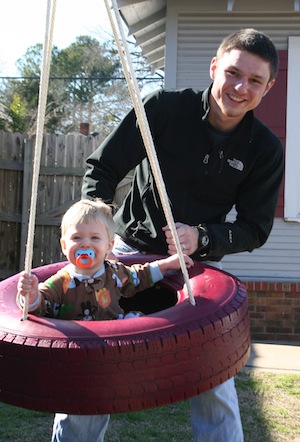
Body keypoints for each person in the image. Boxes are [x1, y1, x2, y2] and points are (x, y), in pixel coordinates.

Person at [81, 28, 284, 442]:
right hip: (125, 250)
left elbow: (255, 228)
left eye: (255, 81)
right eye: (233, 73)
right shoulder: (163, 109)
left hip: (196, 268)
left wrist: (203, 238)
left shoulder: (264, 149)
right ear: (214, 67)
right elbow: (101, 170)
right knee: (91, 358)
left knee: (215, 372)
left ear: (269, 87)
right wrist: (94, 229)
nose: (241, 88)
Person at [17, 198, 193, 442]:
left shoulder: (114, 273)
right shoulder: (62, 281)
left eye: (94, 238)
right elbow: (40, 304)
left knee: (98, 409)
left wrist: (167, 265)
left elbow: (139, 276)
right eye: (77, 238)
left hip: (109, 356)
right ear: (63, 245)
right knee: (78, 414)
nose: (85, 244)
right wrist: (32, 294)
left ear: (110, 244)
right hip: (76, 358)